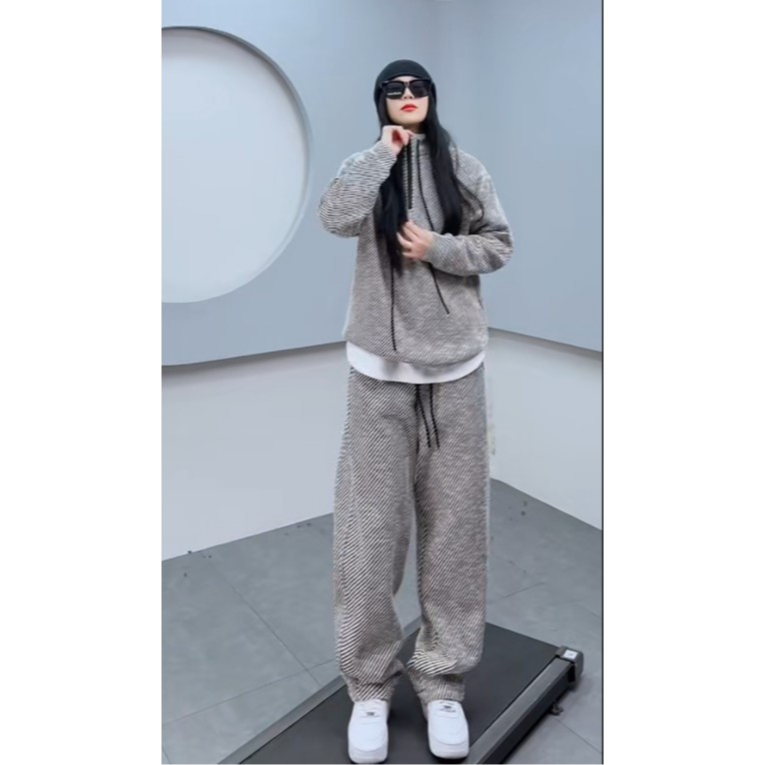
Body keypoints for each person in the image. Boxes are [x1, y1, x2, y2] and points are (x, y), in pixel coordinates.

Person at [317, 59, 513, 764]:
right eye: (395, 90)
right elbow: (335, 217)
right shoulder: (364, 167)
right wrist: (382, 153)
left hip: (457, 374)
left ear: (432, 96)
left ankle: (442, 680)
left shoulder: (464, 168)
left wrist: (438, 248)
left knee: (456, 533)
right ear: (380, 100)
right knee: (369, 536)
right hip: (377, 377)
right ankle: (369, 685)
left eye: (417, 88)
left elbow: (498, 245)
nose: (407, 97)